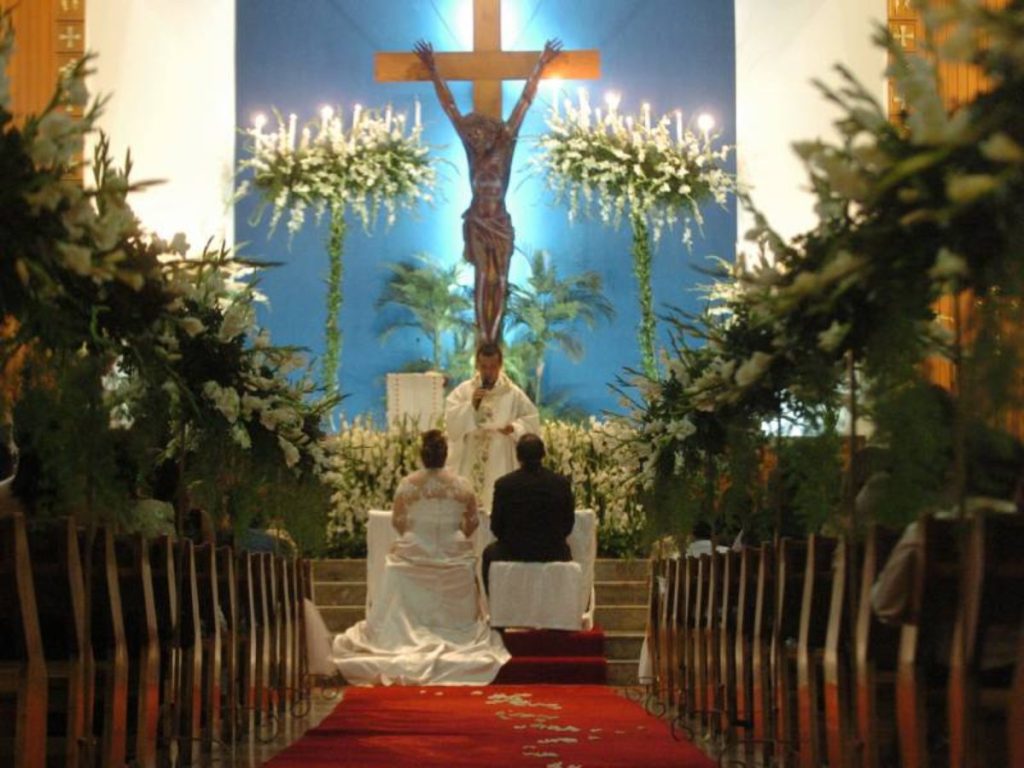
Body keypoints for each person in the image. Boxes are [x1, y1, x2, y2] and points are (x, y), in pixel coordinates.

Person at [330, 430, 509, 685]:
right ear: (445, 454)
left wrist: (416, 536)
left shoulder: (409, 483)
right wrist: (453, 536)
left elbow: (398, 521)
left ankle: (402, 634)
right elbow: (472, 522)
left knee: (395, 563)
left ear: (422, 455)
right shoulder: (462, 485)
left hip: (415, 548)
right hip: (453, 549)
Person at [414, 38, 561, 343]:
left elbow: (524, 102)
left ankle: (495, 338)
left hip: (500, 224)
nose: (473, 138)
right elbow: (450, 107)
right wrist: (432, 70)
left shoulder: (505, 143)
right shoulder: (472, 153)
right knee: (483, 279)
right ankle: (485, 337)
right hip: (478, 224)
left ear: (488, 130)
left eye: (477, 133)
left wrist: (541, 65)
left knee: (502, 280)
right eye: (470, 135)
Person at [445, 342, 539, 512]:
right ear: (477, 365)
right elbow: (451, 423)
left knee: (498, 503)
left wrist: (515, 428)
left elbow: (532, 420)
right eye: (484, 367)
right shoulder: (465, 391)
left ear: (500, 365)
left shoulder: (512, 393)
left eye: (492, 367)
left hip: (499, 455)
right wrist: (470, 406)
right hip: (472, 452)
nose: (488, 372)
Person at [481, 433, 574, 594]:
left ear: (518, 456)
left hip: (513, 550)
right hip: (552, 551)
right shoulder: (561, 484)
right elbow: (568, 525)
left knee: (488, 554)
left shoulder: (504, 485)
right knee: (567, 550)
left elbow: (496, 527)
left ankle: (496, 607)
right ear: (543, 454)